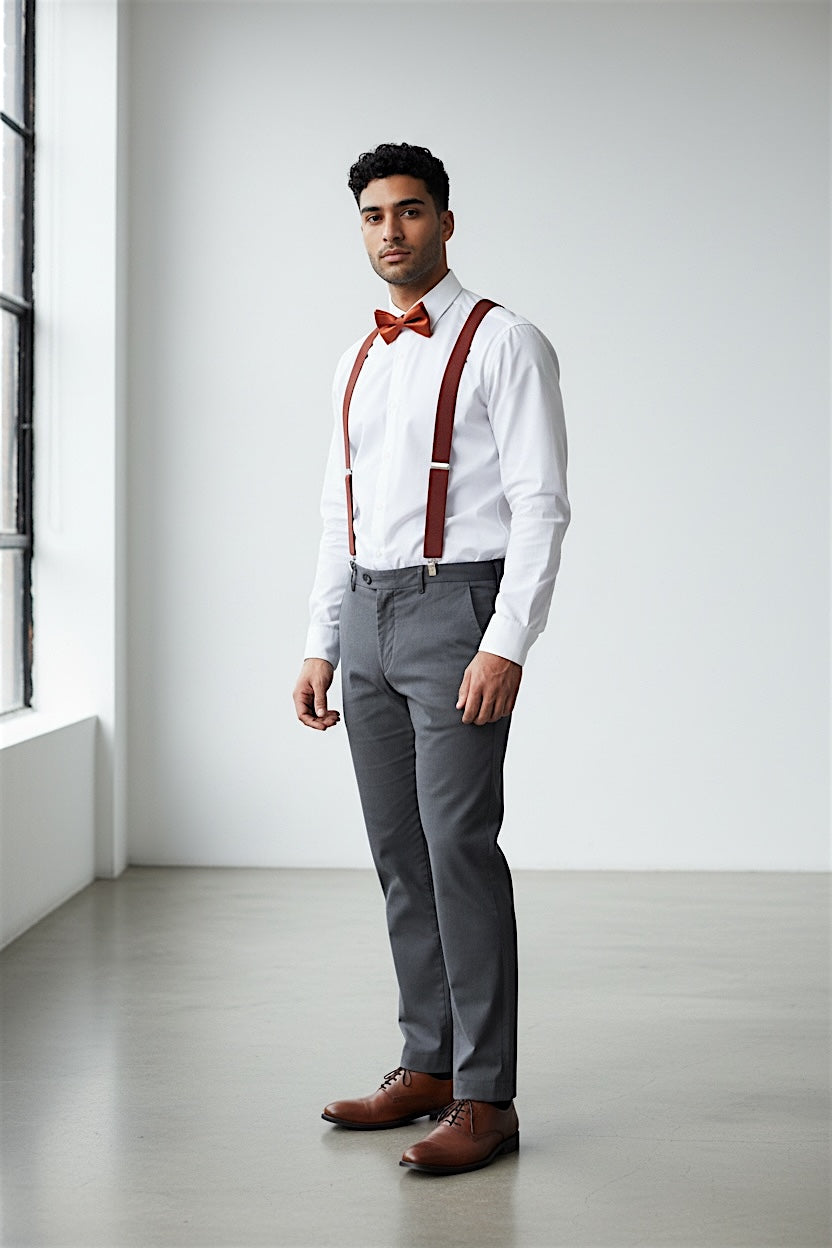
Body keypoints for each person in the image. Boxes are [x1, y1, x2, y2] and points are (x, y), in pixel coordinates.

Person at [292, 142, 570, 1176]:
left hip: (460, 608)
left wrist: (508, 640)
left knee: (458, 848)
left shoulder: (506, 341)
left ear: (446, 222)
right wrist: (321, 640)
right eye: (373, 216)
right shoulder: (356, 357)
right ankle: (428, 1063)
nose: (391, 232)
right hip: (366, 612)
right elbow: (339, 509)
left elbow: (542, 505)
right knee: (398, 854)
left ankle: (486, 1097)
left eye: (409, 212)